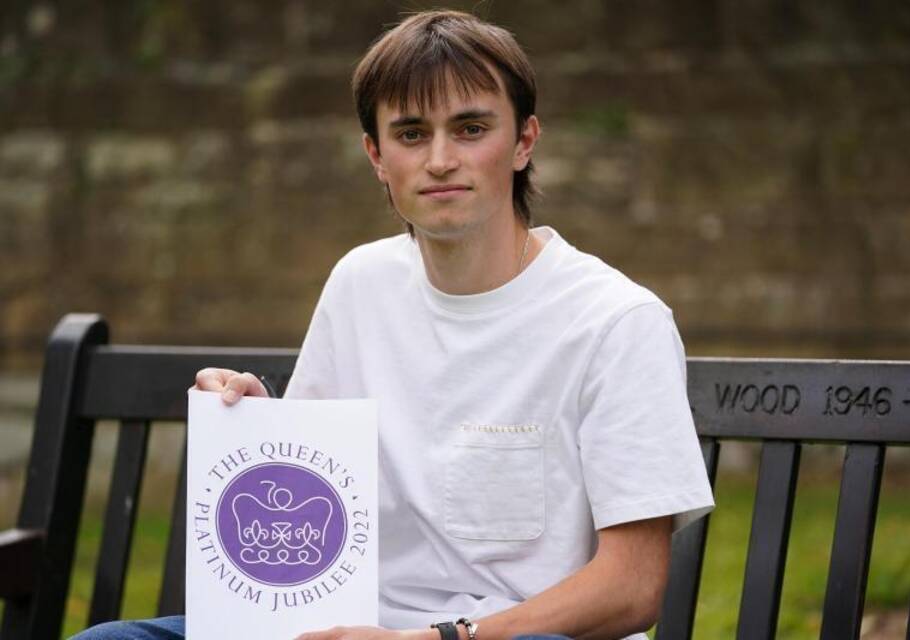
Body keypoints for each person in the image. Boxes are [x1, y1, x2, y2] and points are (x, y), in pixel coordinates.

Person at [73, 9, 713, 640]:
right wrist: (258, 427)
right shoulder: (361, 282)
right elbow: (312, 515)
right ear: (377, 156)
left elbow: (631, 587)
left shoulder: (617, 323)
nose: (439, 160)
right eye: (411, 134)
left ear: (523, 142)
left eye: (469, 129)